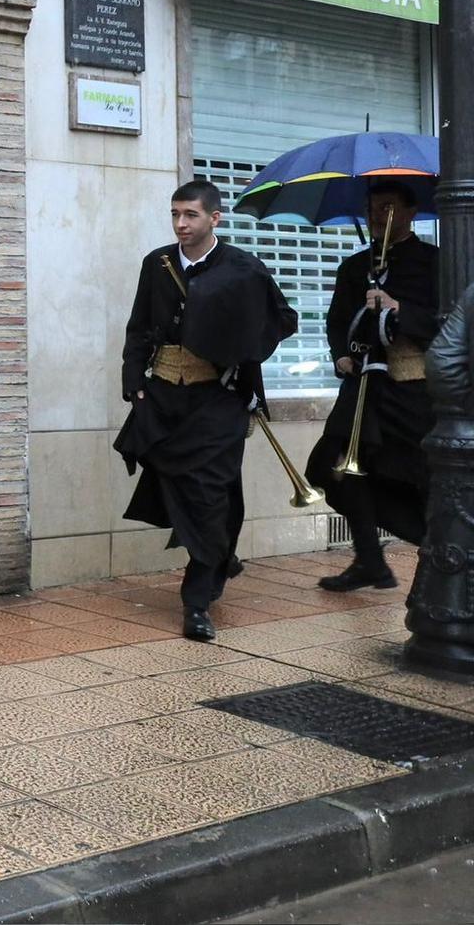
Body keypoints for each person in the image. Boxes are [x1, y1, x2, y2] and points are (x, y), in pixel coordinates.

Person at [115, 179, 298, 642]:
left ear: (214, 218)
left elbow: (282, 319)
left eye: (191, 215)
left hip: (217, 400)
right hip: (162, 396)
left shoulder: (243, 268)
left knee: (209, 494)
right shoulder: (156, 264)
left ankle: (196, 602)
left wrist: (241, 348)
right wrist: (133, 383)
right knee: (182, 484)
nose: (181, 224)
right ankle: (220, 551)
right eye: (175, 214)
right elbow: (138, 326)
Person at [306, 182, 438, 591]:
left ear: (410, 212)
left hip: (413, 389)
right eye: (372, 208)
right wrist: (340, 354)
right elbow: (336, 322)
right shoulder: (354, 267)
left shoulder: (435, 262)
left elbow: (448, 323)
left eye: (388, 208)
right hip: (365, 387)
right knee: (332, 467)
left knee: (417, 479)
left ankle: (440, 550)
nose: (378, 216)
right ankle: (369, 559)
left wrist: (399, 310)